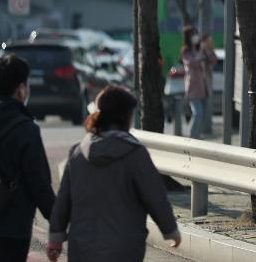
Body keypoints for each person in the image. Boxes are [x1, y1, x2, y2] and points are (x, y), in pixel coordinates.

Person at [47, 86, 180, 262]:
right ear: (126, 117)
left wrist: (55, 239)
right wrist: (170, 230)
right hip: (124, 248)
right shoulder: (134, 153)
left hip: (82, 247)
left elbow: (63, 200)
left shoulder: (78, 153)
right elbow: (155, 196)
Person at [0, 55, 56, 262]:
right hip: (13, 227)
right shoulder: (26, 129)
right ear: (20, 90)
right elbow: (39, 183)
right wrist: (58, 222)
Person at [181, 27, 208, 139]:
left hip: (201, 86)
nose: (196, 36)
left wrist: (205, 52)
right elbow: (192, 63)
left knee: (201, 114)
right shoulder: (186, 51)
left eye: (196, 33)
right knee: (198, 113)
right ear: (188, 37)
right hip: (192, 86)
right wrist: (201, 57)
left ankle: (196, 136)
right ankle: (191, 137)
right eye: (193, 34)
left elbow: (210, 58)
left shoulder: (198, 50)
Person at [200, 34, 218, 136]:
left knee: (207, 108)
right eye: (208, 41)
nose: (210, 43)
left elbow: (214, 60)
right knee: (201, 109)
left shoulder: (210, 52)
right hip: (199, 85)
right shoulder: (199, 51)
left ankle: (206, 129)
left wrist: (210, 50)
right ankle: (201, 129)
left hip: (207, 84)